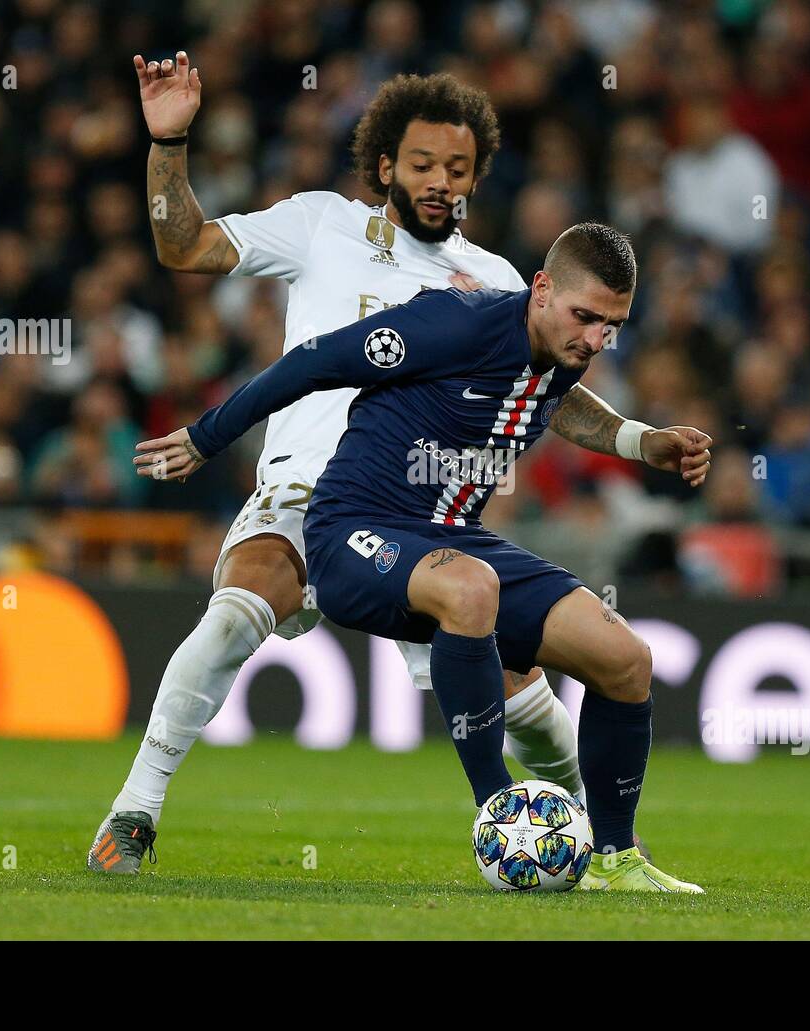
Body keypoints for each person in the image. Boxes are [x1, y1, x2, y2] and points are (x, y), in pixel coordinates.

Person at [89, 53, 680, 874]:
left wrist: (633, 436)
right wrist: (171, 141)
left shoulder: (498, 281)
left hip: (425, 515)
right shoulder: (321, 223)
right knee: (235, 610)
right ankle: (135, 810)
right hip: (307, 493)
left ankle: (603, 843)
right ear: (385, 166)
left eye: (459, 168)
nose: (442, 182)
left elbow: (555, 395)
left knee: (530, 703)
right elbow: (184, 246)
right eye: (425, 164)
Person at [135, 223, 712, 892]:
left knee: (626, 659)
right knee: (471, 589)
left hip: (450, 539)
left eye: (611, 326)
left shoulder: (562, 350)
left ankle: (615, 861)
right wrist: (207, 437)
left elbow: (560, 403)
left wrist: (643, 442)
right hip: (350, 530)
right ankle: (501, 817)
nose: (593, 339)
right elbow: (313, 361)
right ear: (542, 288)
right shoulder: (452, 325)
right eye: (585, 317)